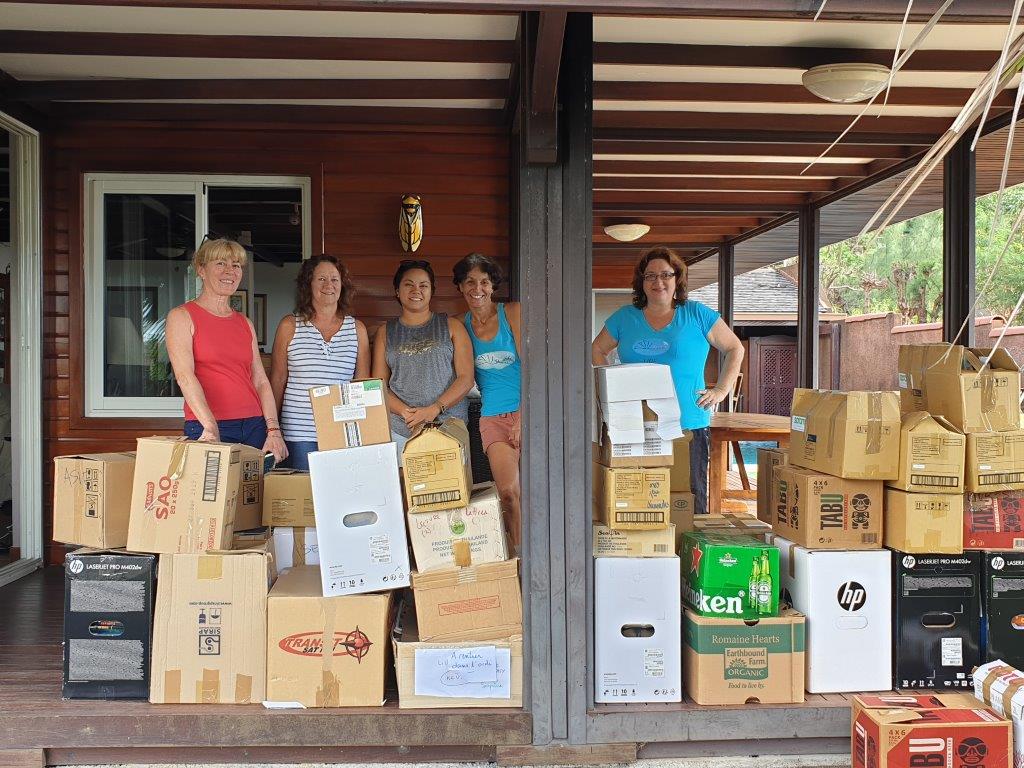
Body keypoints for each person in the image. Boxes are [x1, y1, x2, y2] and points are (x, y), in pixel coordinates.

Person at [591, 246, 744, 516]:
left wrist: (721, 390)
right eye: (650, 276)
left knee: (690, 499)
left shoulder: (697, 314)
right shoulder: (625, 317)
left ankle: (689, 556)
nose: (657, 282)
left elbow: (735, 348)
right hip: (636, 425)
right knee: (640, 502)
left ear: (677, 278)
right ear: (641, 281)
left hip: (687, 423)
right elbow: (597, 350)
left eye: (665, 274)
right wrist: (614, 387)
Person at [166, 238, 288, 462]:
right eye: (220, 263)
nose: (230, 271)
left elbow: (260, 380)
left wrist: (273, 430)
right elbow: (184, 376)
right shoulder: (182, 316)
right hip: (209, 425)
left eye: (236, 265)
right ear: (201, 270)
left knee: (254, 496)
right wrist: (210, 426)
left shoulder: (244, 323)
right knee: (212, 496)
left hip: (254, 425)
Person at [269, 254, 370, 470]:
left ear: (342, 285)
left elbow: (360, 385)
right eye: (321, 279)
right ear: (309, 284)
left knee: (337, 498)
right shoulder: (289, 326)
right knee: (303, 498)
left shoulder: (356, 329)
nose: (329, 285)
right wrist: (271, 427)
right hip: (298, 434)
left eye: (334, 279)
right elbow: (278, 380)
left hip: (341, 433)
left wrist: (363, 432)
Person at [453, 253, 522, 550]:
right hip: (492, 417)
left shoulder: (513, 313)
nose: (476, 288)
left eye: (483, 281)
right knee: (507, 492)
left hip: (527, 411)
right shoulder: (459, 324)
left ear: (493, 285)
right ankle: (518, 557)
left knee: (537, 491)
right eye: (469, 281)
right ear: (460, 287)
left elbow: (536, 366)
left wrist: (525, 417)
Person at [372, 259, 474, 451]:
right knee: (405, 482)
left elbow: (466, 378)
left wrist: (434, 408)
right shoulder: (385, 332)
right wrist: (407, 413)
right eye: (408, 285)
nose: (416, 290)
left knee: (450, 482)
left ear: (431, 291)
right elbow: (378, 385)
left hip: (449, 427)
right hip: (402, 430)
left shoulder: (451, 326)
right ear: (397, 291)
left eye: (423, 285)